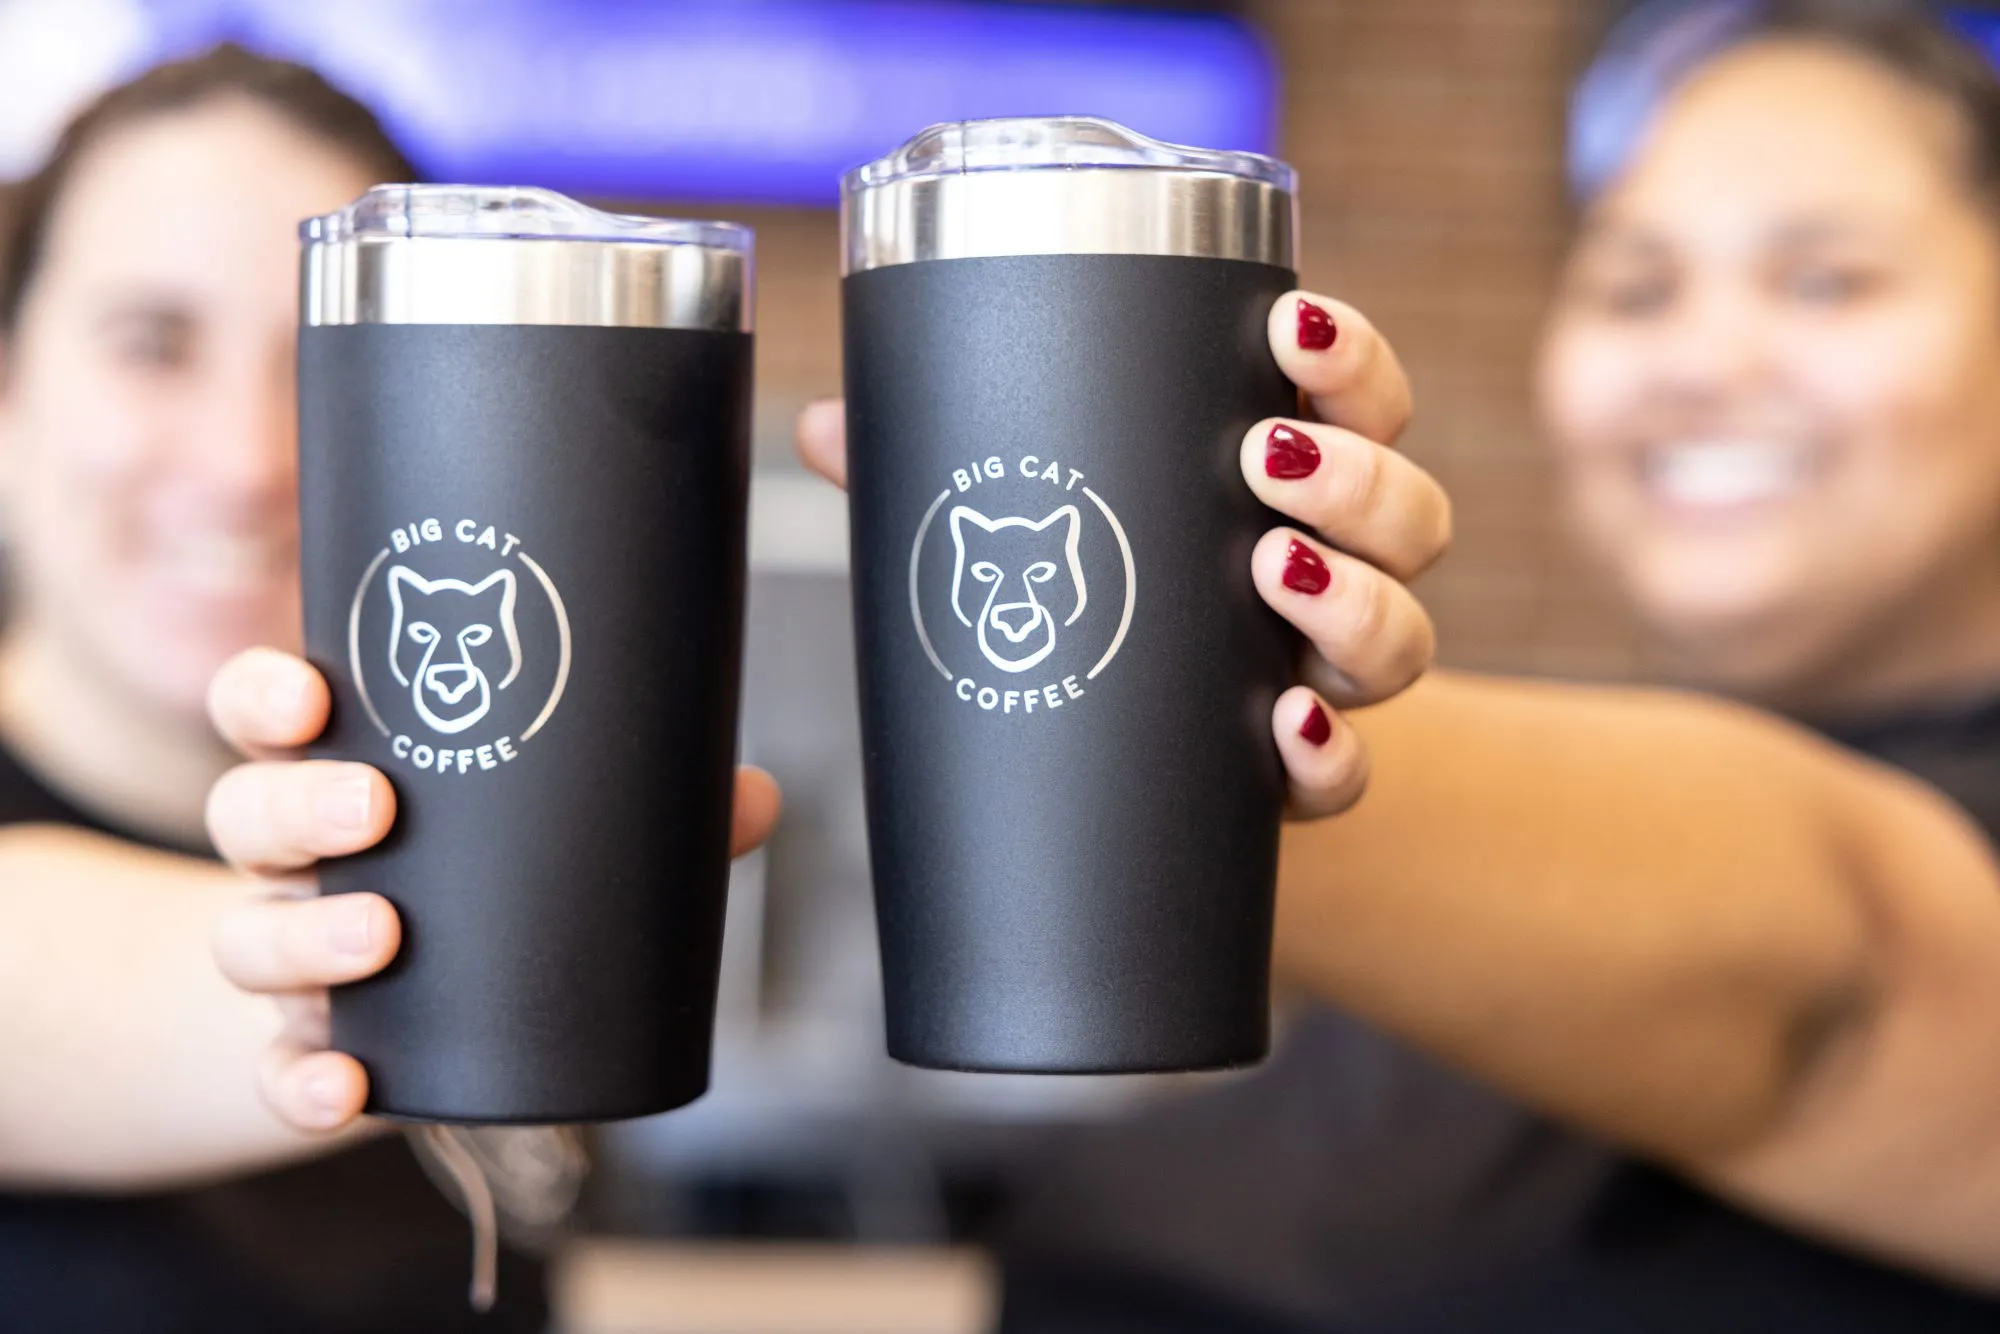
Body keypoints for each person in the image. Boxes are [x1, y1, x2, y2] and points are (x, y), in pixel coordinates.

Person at [208, 0, 2000, 1329]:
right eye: (1634, 284)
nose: (1704, 358)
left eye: (1827, 280)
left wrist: (1168, 709)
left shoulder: (1864, 869)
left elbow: (1829, 952)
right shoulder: (1528, 873)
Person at [0, 44, 782, 1332]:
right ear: (11, 385)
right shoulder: (485, 888)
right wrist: (424, 971)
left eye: (321, 362)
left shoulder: (484, 796)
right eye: (154, 345)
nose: (250, 458)